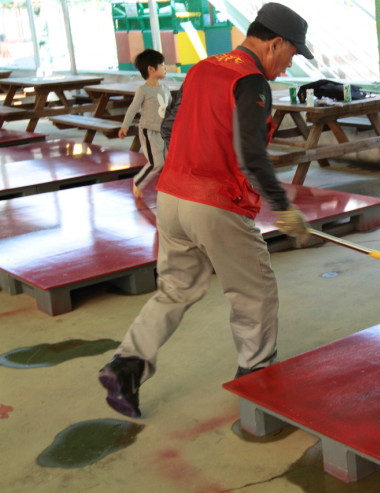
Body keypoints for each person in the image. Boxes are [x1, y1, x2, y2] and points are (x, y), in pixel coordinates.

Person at [98, 2, 313, 419]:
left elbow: (167, 127)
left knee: (176, 289)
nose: (289, 66)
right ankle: (257, 380)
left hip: (173, 198)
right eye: (292, 55)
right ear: (276, 43)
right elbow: (251, 153)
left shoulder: (203, 67)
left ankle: (126, 365)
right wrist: (284, 208)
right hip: (216, 203)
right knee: (254, 292)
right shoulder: (251, 81)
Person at [118, 49, 171, 199]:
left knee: (169, 161)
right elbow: (133, 108)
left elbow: (172, 110)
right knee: (157, 163)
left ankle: (169, 190)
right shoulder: (143, 90)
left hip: (164, 132)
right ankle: (138, 181)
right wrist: (124, 126)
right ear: (151, 69)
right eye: (162, 65)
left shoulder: (165, 88)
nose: (165, 68)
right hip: (149, 132)